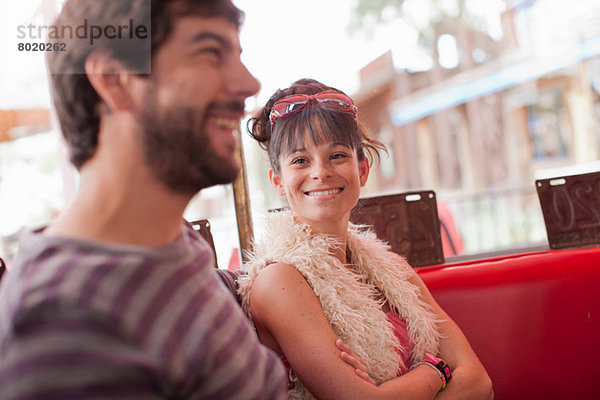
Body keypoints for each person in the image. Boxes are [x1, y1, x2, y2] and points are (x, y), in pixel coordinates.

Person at [0, 0, 289, 398]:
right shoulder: (62, 328)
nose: (249, 83)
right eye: (210, 53)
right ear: (115, 80)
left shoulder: (169, 241)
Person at [239, 78, 494, 399]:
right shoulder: (279, 280)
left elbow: (479, 382)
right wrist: (437, 371)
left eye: (337, 156)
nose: (321, 172)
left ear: (362, 169)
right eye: (300, 160)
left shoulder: (393, 269)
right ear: (278, 180)